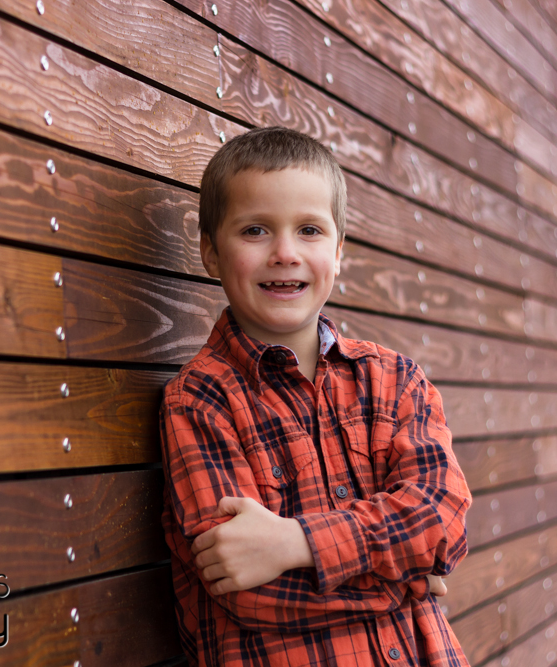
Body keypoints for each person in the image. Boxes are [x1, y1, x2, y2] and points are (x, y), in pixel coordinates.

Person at [159, 126, 472, 666]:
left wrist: (295, 544)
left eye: (308, 230)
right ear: (211, 252)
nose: (285, 253)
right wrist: (411, 582)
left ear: (339, 250)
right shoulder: (200, 400)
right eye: (255, 230)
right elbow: (244, 587)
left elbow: (442, 519)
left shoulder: (396, 380)